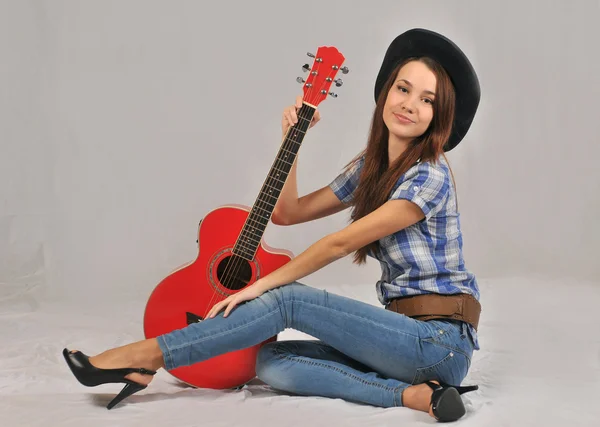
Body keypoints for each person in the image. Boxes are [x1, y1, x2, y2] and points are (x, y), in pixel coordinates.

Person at [63, 28, 482, 422]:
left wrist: (262, 286)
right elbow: (288, 212)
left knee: (287, 299)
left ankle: (146, 355)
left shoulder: (429, 175)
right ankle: (413, 395)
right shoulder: (372, 169)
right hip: (401, 340)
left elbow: (338, 244)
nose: (409, 103)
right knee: (269, 361)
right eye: (403, 88)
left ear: (439, 116)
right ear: (385, 91)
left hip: (440, 343)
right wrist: (292, 139)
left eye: (426, 100)